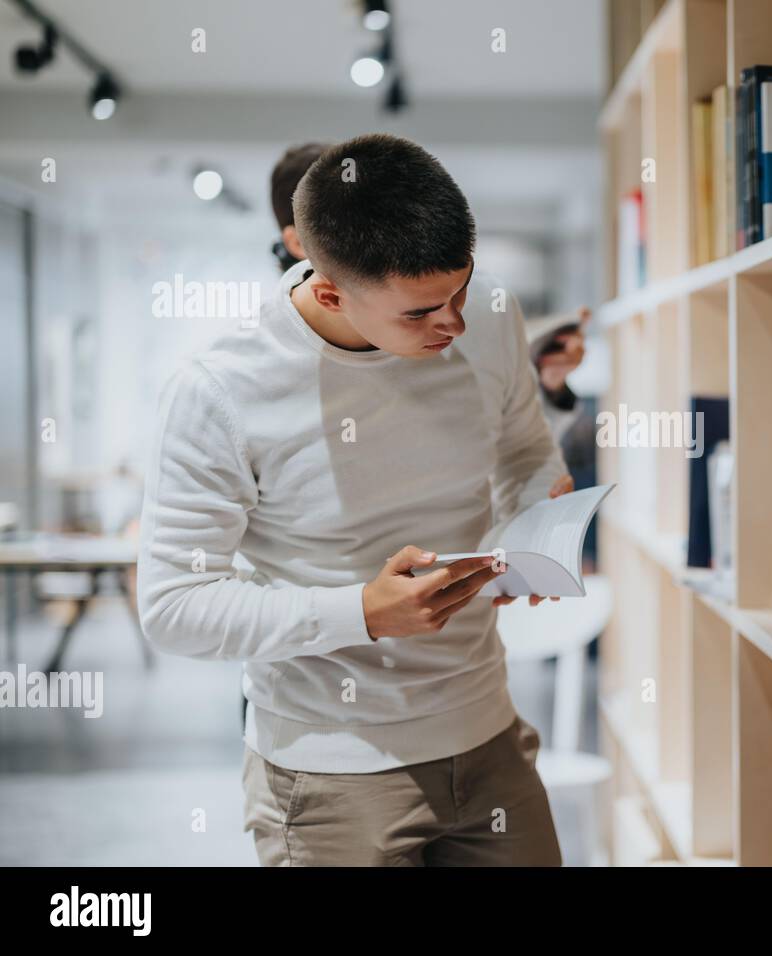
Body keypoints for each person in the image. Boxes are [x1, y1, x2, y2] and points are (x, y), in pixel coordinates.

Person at [137, 133, 569, 866]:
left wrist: (536, 523)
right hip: (329, 773)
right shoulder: (219, 392)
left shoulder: (490, 311)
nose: (456, 324)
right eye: (422, 312)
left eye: (461, 291)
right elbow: (173, 606)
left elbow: (526, 450)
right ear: (329, 288)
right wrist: (362, 614)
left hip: (490, 737)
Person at [270, 142, 588, 444]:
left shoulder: (444, 316)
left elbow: (505, 449)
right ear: (298, 241)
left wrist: (549, 384)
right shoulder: (266, 369)